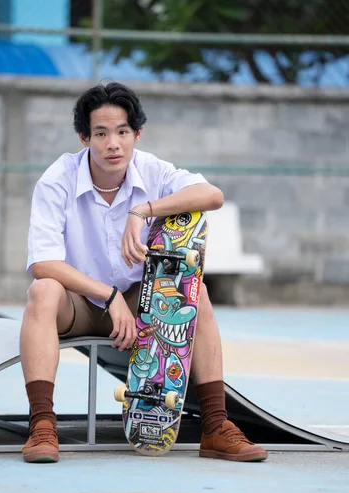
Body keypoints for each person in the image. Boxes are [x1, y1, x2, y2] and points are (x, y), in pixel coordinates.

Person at [20, 81, 268, 464]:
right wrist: (107, 295)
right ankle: (41, 427)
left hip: (143, 304)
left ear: (137, 134)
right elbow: (43, 263)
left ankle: (216, 427)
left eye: (122, 131)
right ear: (85, 137)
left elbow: (212, 196)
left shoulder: (152, 170)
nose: (113, 143)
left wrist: (143, 211)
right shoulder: (58, 179)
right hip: (80, 306)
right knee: (42, 290)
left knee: (195, 294)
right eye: (100, 133)